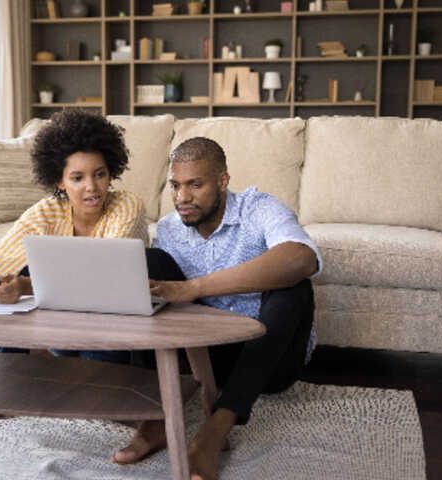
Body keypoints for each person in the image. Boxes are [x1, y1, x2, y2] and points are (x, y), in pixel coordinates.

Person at [111, 137, 322, 480]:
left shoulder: (260, 209)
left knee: (294, 285)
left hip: (270, 360)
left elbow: (301, 258)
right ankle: (156, 419)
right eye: (176, 186)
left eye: (195, 184)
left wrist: (194, 287)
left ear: (223, 181)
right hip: (205, 358)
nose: (182, 198)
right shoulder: (168, 228)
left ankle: (216, 429)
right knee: (150, 261)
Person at [0, 109, 148, 391]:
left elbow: (104, 282)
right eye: (77, 178)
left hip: (113, 328)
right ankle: (7, 384)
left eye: (100, 174)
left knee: (91, 392)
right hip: (63, 328)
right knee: (26, 271)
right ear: (60, 181)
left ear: (111, 173)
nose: (91, 187)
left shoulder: (127, 206)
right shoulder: (47, 211)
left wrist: (25, 286)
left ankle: (64, 373)